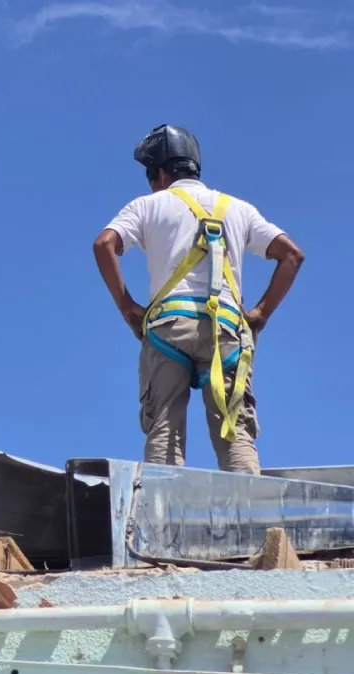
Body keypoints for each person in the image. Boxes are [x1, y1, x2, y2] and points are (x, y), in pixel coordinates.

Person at [92, 124, 304, 474]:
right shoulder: (238, 209)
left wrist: (128, 308)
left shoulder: (148, 206)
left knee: (165, 430)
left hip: (168, 328)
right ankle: (252, 523)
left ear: (160, 173)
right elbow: (292, 255)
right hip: (226, 330)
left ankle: (163, 522)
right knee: (235, 434)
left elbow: (104, 245)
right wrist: (260, 315)